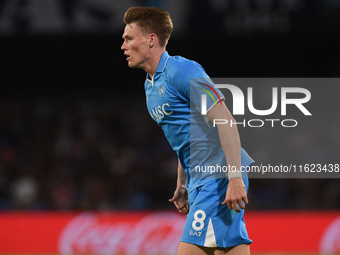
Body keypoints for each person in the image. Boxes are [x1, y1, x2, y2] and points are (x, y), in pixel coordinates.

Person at [121, 7, 254, 255]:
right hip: (200, 179)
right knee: (230, 248)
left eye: (129, 38)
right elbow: (187, 137)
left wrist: (234, 178)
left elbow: (226, 121)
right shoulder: (150, 86)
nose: (123, 46)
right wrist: (182, 182)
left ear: (151, 39)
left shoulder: (182, 71)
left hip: (218, 175)